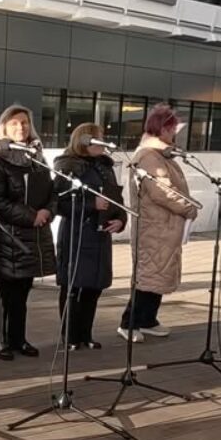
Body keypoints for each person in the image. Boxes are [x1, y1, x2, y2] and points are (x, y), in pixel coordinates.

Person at [119, 103, 198, 343]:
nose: (174, 133)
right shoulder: (149, 156)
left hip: (164, 227)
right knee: (149, 275)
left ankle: (148, 319)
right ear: (162, 128)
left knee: (159, 274)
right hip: (154, 227)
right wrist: (188, 207)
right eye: (172, 128)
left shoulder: (161, 155)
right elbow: (161, 191)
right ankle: (129, 323)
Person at [0, 104, 57, 361]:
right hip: (7, 235)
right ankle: (0, 341)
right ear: (4, 128)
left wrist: (47, 211)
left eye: (24, 122)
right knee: (4, 292)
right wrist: (31, 215)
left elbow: (52, 191)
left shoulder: (37, 158)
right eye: (14, 123)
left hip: (32, 236)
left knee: (23, 292)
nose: (21, 127)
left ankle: (18, 338)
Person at [54, 123, 127, 350]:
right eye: (97, 138)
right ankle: (69, 336)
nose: (102, 142)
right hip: (77, 234)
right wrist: (90, 204)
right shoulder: (67, 165)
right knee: (73, 286)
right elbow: (59, 202)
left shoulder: (106, 167)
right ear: (84, 140)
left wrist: (120, 219)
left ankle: (86, 334)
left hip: (100, 234)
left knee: (94, 287)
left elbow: (116, 199)